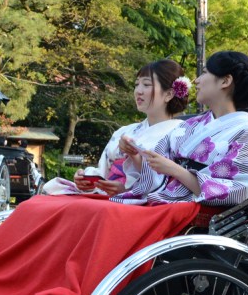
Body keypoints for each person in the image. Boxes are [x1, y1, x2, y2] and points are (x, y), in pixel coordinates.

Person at [114, 50, 248, 206]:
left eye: (205, 73)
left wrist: (176, 171)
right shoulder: (190, 126)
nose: (197, 80)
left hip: (192, 213)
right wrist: (135, 155)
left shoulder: (246, 135)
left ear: (225, 81)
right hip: (164, 203)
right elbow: (155, 174)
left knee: (108, 214)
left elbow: (238, 192)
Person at [74, 58, 189, 195]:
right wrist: (88, 180)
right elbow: (103, 173)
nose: (138, 91)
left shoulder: (182, 133)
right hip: (108, 198)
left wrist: (128, 190)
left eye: (146, 85)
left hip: (143, 205)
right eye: (136, 84)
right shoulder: (124, 131)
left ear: (169, 94)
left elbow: (176, 184)